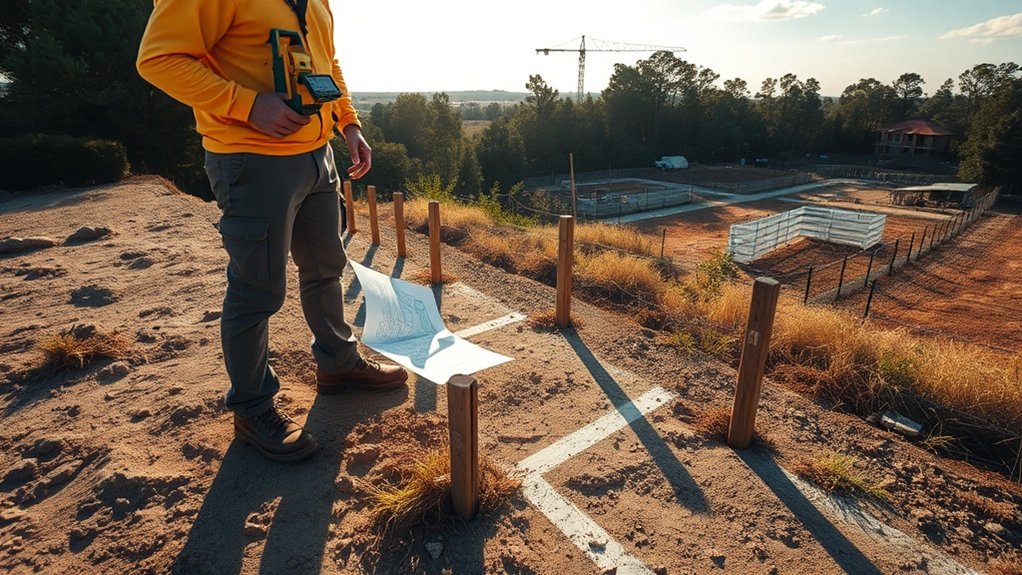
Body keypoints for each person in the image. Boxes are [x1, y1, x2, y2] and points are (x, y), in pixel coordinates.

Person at [137, 0, 407, 462]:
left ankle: (338, 365)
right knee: (257, 288)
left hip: (317, 156)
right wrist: (246, 104)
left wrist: (348, 123)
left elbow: (327, 62)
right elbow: (158, 59)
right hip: (250, 159)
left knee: (326, 267)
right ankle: (252, 408)